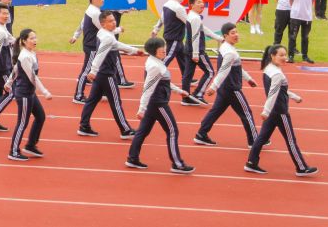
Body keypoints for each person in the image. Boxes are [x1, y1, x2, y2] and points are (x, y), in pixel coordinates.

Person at [245, 44, 318, 177]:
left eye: (285, 55)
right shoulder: (277, 73)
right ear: (272, 56)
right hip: (279, 111)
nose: (284, 58)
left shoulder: (269, 68)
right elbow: (273, 92)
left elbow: (279, 90)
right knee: (291, 140)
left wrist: (294, 97)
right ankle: (301, 167)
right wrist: (266, 111)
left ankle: (251, 162)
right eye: (281, 55)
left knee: (262, 138)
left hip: (273, 110)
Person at [125, 37, 195, 174]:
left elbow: (164, 82)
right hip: (158, 103)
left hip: (155, 102)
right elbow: (148, 88)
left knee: (143, 131)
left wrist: (179, 91)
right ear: (153, 50)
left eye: (164, 46)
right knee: (173, 131)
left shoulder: (156, 62)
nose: (164, 50)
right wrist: (141, 109)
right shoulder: (155, 66)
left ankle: (132, 158)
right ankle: (177, 163)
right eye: (161, 48)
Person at [194, 22, 258, 148]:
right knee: (246, 113)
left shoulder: (225, 47)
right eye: (233, 33)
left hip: (225, 88)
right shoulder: (230, 52)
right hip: (232, 88)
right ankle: (254, 140)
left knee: (215, 112)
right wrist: (213, 86)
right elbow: (224, 70)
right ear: (225, 35)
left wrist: (248, 79)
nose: (236, 35)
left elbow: (237, 66)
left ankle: (201, 134)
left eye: (236, 32)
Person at [79, 10, 141, 138]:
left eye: (114, 20)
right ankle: (125, 130)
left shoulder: (102, 32)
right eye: (110, 21)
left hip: (101, 74)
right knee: (116, 102)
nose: (114, 23)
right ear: (103, 24)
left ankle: (84, 126)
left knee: (91, 100)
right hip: (107, 74)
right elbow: (101, 54)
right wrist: (93, 71)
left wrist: (118, 30)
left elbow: (113, 38)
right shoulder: (107, 38)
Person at [5, 28, 52, 162]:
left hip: (30, 93)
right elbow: (33, 77)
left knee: (40, 116)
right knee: (22, 123)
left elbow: (15, 69)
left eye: (35, 37)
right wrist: (45, 92)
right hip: (24, 94)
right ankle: (13, 151)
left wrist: (8, 83)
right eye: (31, 38)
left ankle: (31, 145)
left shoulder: (31, 53)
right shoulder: (25, 56)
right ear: (24, 41)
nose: (34, 40)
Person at [69, 0, 116, 104]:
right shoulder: (95, 13)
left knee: (98, 68)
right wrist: (118, 29)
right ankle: (78, 95)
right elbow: (104, 29)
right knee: (86, 71)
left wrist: (75, 36)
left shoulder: (91, 10)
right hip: (92, 46)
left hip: (91, 44)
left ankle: (102, 92)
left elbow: (82, 23)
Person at [182, 0, 223, 105]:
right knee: (210, 72)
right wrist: (196, 54)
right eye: (198, 2)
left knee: (188, 74)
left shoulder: (192, 16)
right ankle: (198, 94)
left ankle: (185, 98)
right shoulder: (195, 18)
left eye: (202, 2)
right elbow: (195, 36)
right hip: (197, 51)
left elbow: (203, 29)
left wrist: (218, 38)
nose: (202, 4)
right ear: (191, 5)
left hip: (188, 49)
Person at [150, 0, 189, 82]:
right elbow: (189, 23)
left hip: (174, 38)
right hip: (174, 38)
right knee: (166, 58)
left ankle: (187, 76)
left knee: (183, 58)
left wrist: (155, 29)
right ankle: (155, 74)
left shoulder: (166, 4)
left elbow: (162, 19)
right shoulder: (179, 8)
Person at [288, 0, 316, 64]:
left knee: (305, 37)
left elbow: (313, 1)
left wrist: (308, 10)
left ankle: (305, 56)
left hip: (307, 16)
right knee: (293, 36)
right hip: (295, 15)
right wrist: (295, 8)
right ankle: (291, 55)